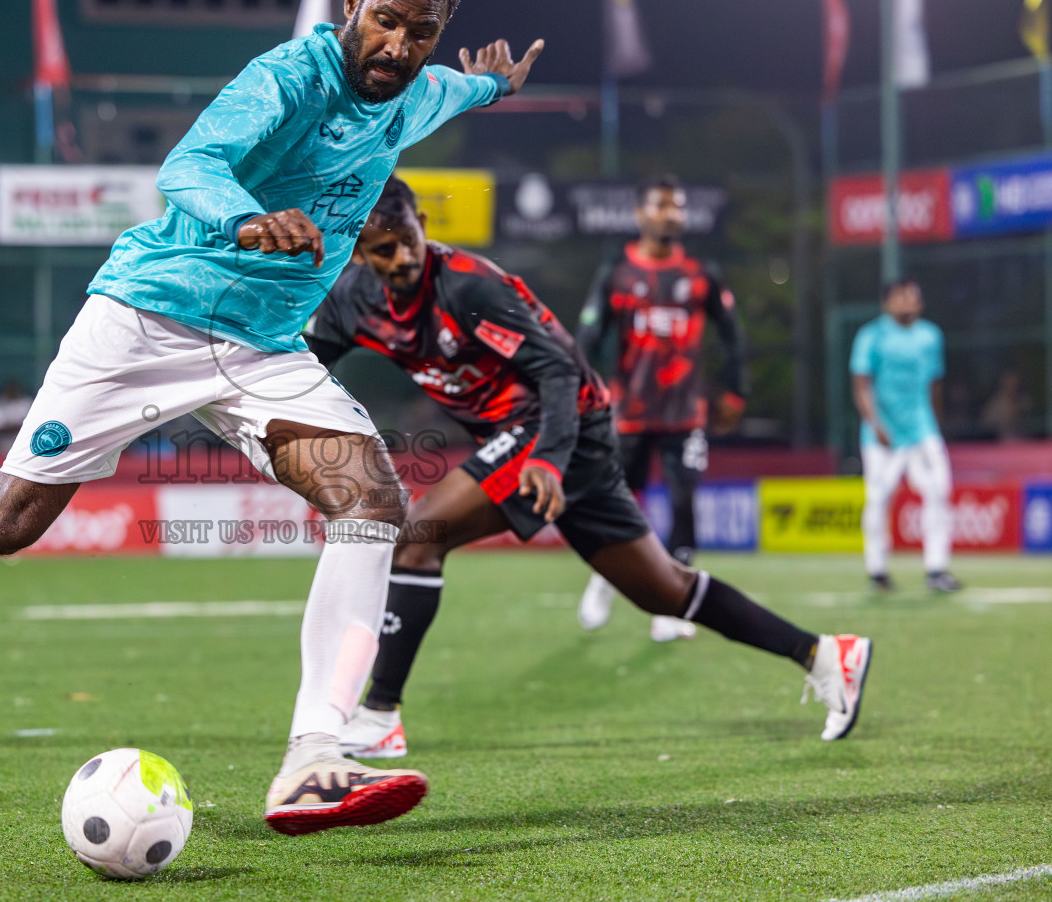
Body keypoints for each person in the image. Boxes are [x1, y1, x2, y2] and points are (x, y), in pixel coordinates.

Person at [0, 0, 544, 835]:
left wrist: (497, 82)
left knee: (370, 496)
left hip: (261, 348)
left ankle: (314, 756)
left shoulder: (418, 90)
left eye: (421, 32)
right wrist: (250, 220)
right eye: (384, 23)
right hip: (146, 320)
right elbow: (186, 168)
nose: (399, 49)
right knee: (2, 528)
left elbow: (462, 85)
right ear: (351, 8)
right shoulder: (287, 79)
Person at [305, 176, 871, 759]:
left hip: (562, 426)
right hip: (543, 439)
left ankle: (380, 715)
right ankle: (827, 655)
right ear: (360, 249)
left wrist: (548, 460)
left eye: (407, 241)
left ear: (423, 224)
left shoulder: (470, 287)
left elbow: (559, 372)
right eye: (382, 249)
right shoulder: (354, 301)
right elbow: (305, 367)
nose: (399, 258)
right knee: (664, 591)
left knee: (420, 537)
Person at [574, 175, 748, 641]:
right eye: (661, 205)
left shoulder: (700, 274)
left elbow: (733, 335)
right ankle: (605, 577)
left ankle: (673, 604)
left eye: (678, 206)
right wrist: (581, 390)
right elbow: (587, 337)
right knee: (618, 502)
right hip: (627, 412)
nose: (671, 213)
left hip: (684, 414)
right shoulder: (617, 272)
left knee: (684, 499)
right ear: (641, 214)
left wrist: (735, 392)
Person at [851, 278, 960, 592]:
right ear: (887, 302)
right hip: (882, 434)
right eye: (901, 297)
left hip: (922, 429)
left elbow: (934, 384)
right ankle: (877, 570)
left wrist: (935, 426)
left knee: (939, 490)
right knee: (878, 499)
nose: (908, 302)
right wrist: (875, 425)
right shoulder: (872, 336)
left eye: (914, 297)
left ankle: (937, 568)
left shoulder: (930, 336)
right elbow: (861, 385)